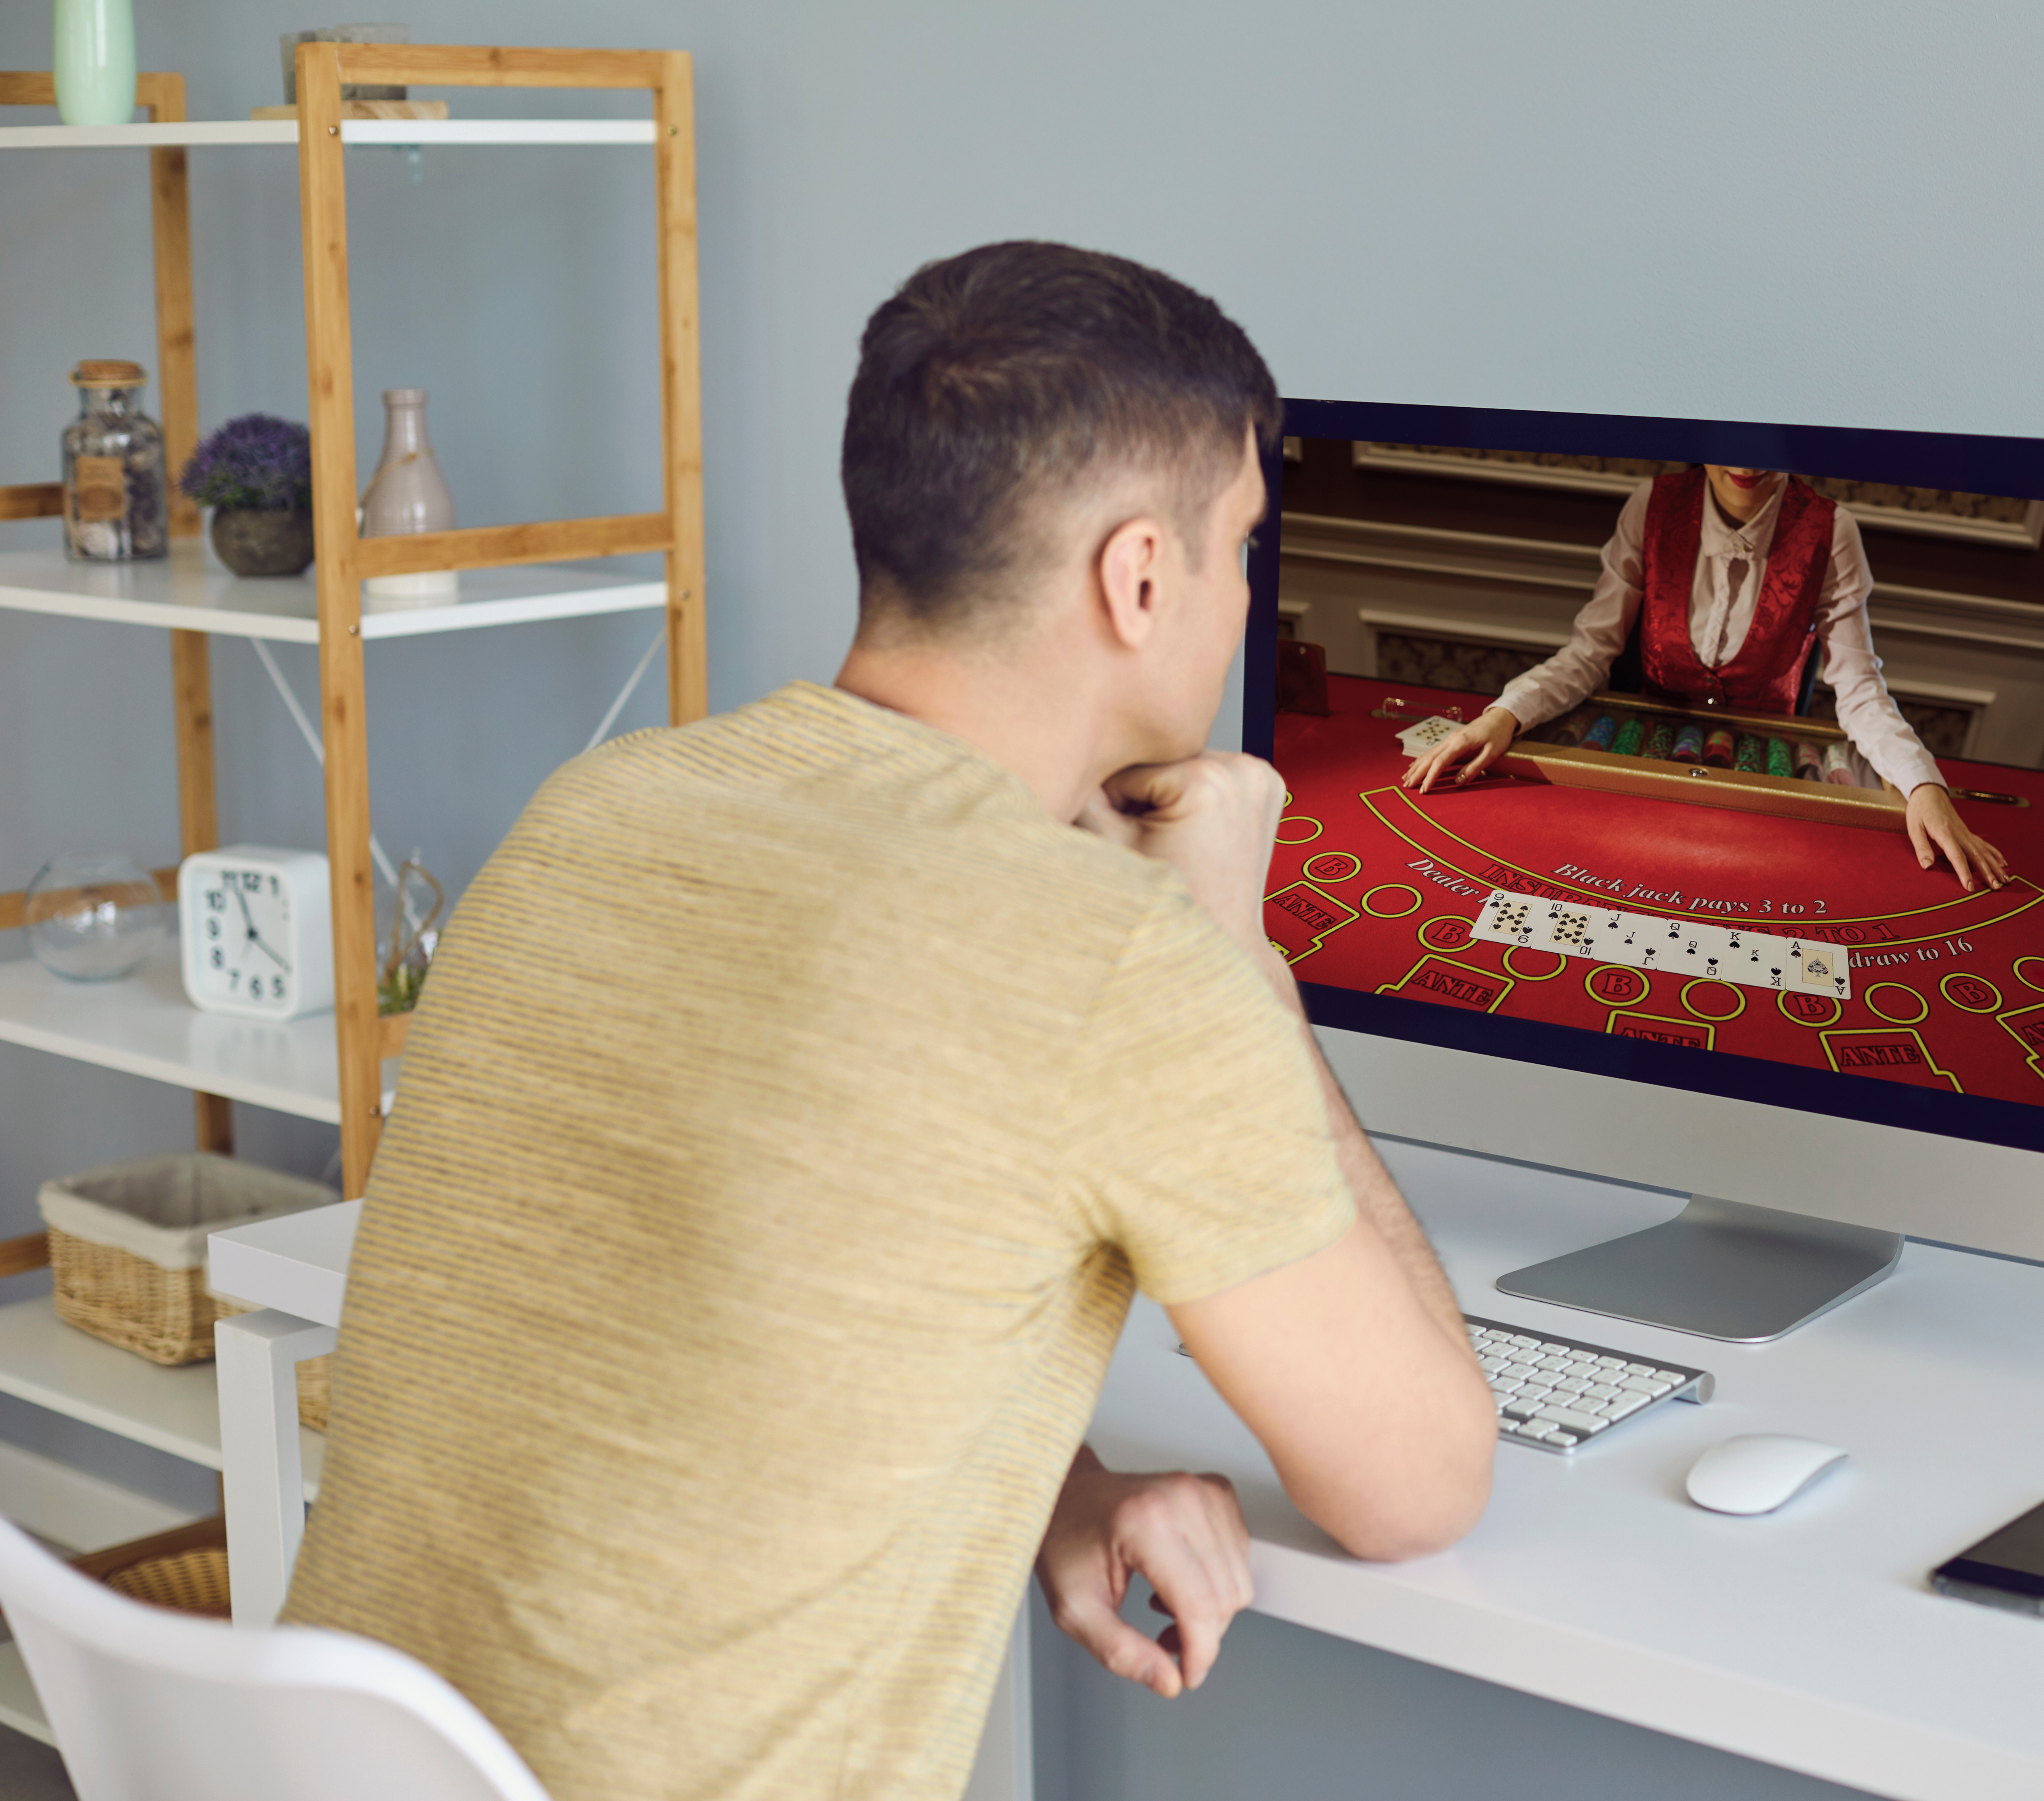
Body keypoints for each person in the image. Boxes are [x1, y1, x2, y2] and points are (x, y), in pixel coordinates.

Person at [284, 242, 1495, 1801]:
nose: (1248, 599)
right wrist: (1235, 955)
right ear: (1140, 578)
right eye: (1244, 548)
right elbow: (1424, 1484)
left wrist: (1044, 1479)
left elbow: (693, 1306)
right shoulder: (1119, 964)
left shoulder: (596, 811)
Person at [1400, 464, 2011, 891]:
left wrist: (1923, 785)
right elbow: (1590, 653)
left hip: (1769, 787)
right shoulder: (1652, 504)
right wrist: (1502, 715)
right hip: (1644, 764)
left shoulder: (1833, 529)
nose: (1750, 461)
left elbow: (1858, 690)